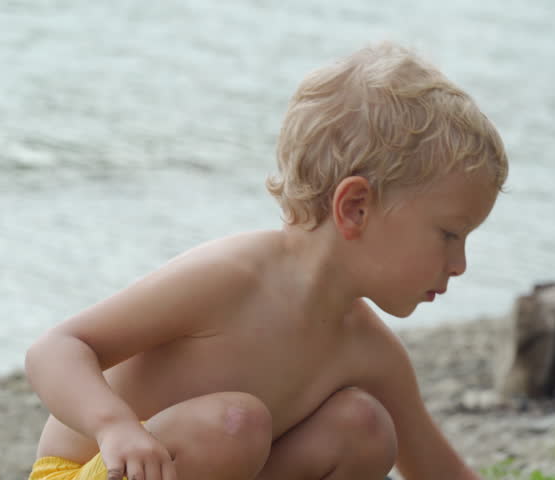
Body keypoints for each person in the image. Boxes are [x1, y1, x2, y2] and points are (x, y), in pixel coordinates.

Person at [25, 40, 508, 480]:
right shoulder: (232, 278)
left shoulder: (369, 352)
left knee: (364, 427)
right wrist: (114, 426)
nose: (460, 263)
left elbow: (438, 471)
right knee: (234, 425)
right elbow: (57, 348)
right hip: (91, 471)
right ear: (355, 207)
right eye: (449, 234)